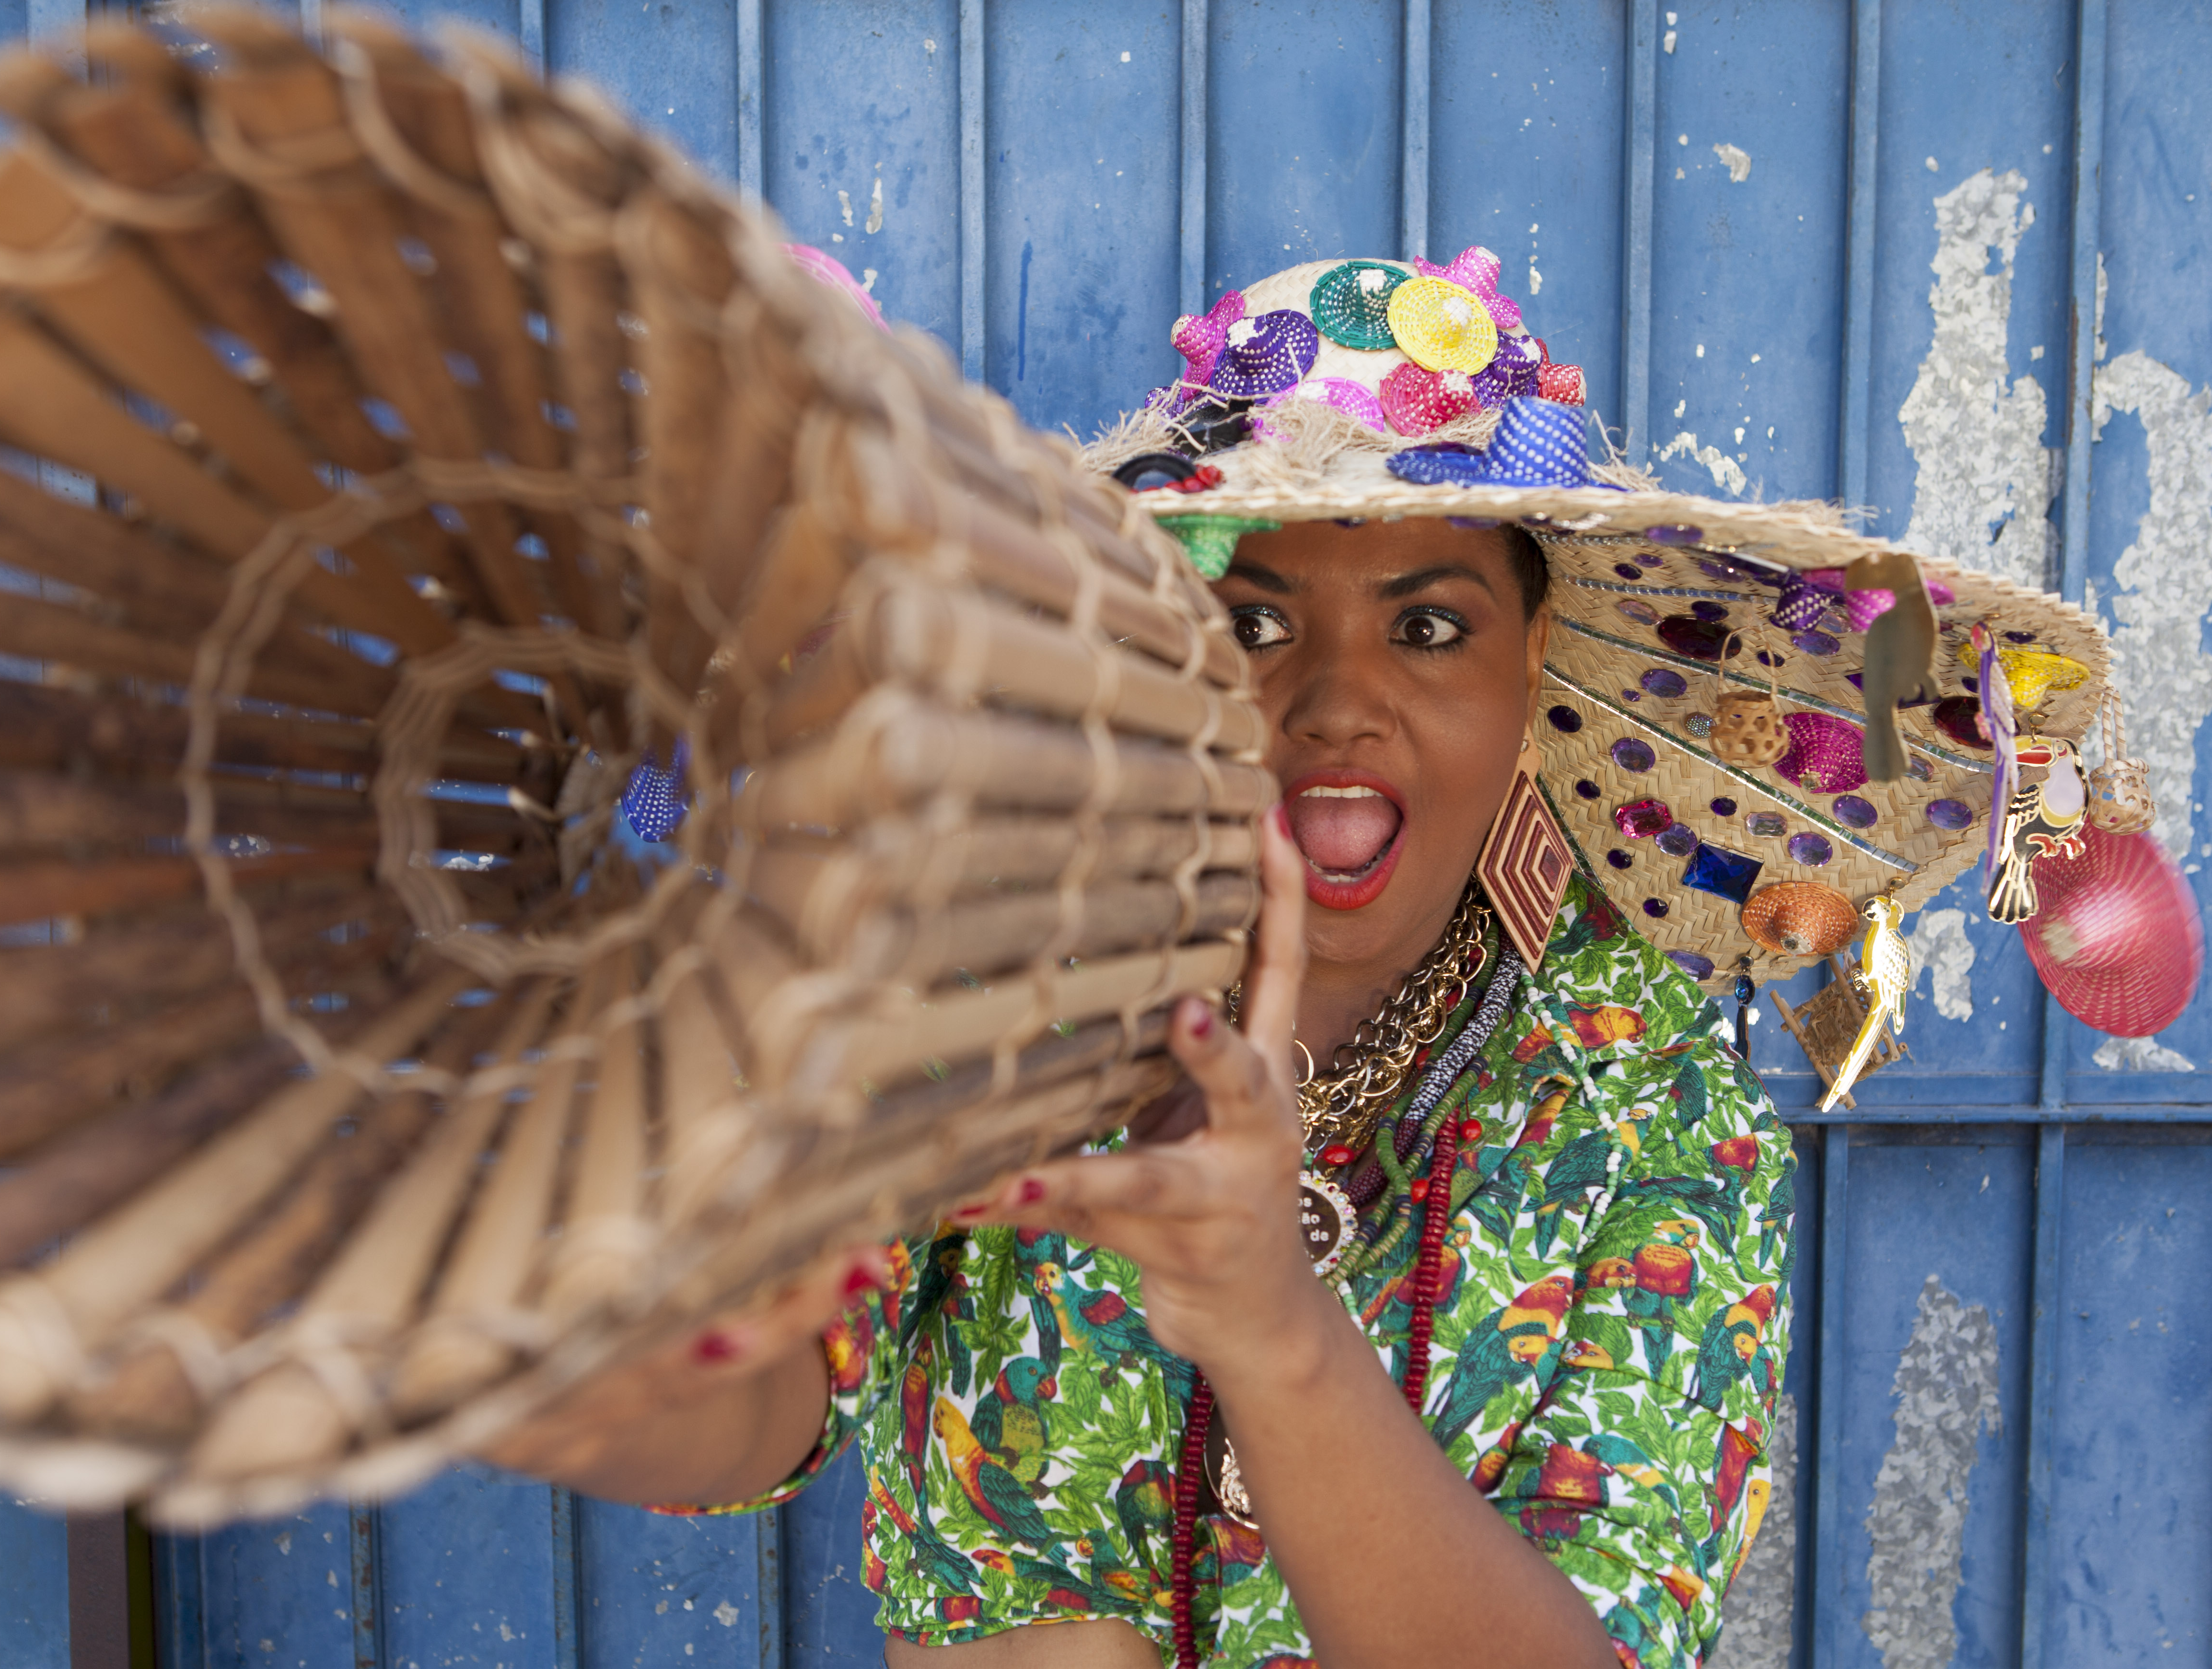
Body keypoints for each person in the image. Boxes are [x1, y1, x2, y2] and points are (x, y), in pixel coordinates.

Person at [486, 254, 1835, 1669]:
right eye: (1249, 624)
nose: (1336, 703)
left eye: (1428, 627)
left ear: (1533, 660)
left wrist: (1269, 1317)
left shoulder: (1644, 1092)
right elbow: (750, 1403)